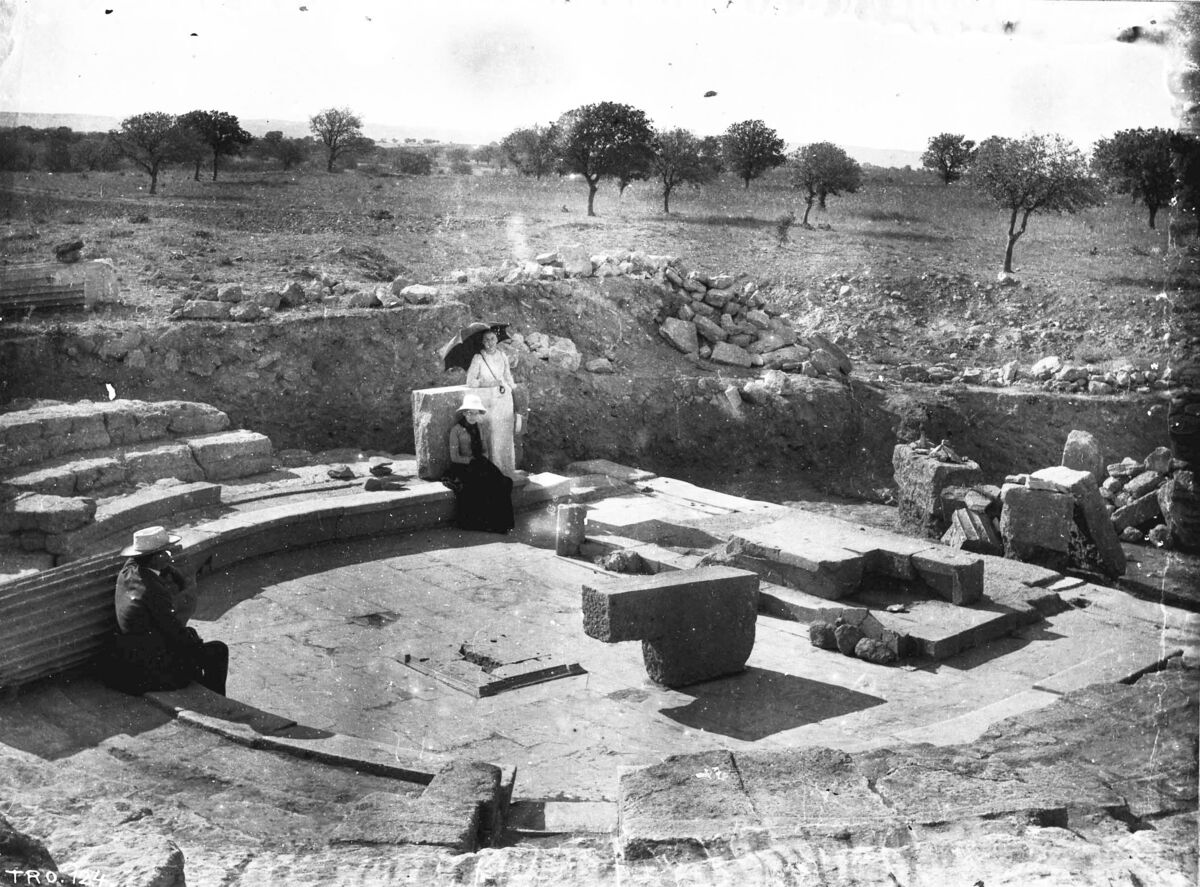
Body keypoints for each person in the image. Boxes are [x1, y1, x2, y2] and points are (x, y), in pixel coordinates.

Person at [102, 526, 228, 696]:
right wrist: (195, 642)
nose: (170, 556)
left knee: (191, 639)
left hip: (130, 652)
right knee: (218, 650)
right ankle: (215, 699)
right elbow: (174, 632)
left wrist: (169, 569)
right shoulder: (153, 591)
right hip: (150, 668)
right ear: (155, 558)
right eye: (166, 553)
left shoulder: (129, 569)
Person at [442, 393, 515, 534]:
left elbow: (485, 450)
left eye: (475, 413)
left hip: (479, 463)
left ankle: (500, 523)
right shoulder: (456, 430)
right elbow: (454, 457)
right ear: (464, 413)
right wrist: (471, 461)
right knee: (477, 486)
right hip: (464, 466)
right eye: (469, 413)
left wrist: (482, 460)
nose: (472, 416)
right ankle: (480, 523)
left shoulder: (480, 428)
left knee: (503, 482)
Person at [466, 328, 518, 476]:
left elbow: (507, 376)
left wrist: (513, 388)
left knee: (505, 433)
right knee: (493, 434)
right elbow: (470, 381)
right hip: (488, 400)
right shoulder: (478, 358)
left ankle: (507, 468)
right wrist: (487, 383)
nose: (490, 342)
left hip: (504, 399)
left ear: (497, 340)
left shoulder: (502, 355)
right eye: (486, 340)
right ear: (483, 342)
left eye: (492, 339)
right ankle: (494, 469)